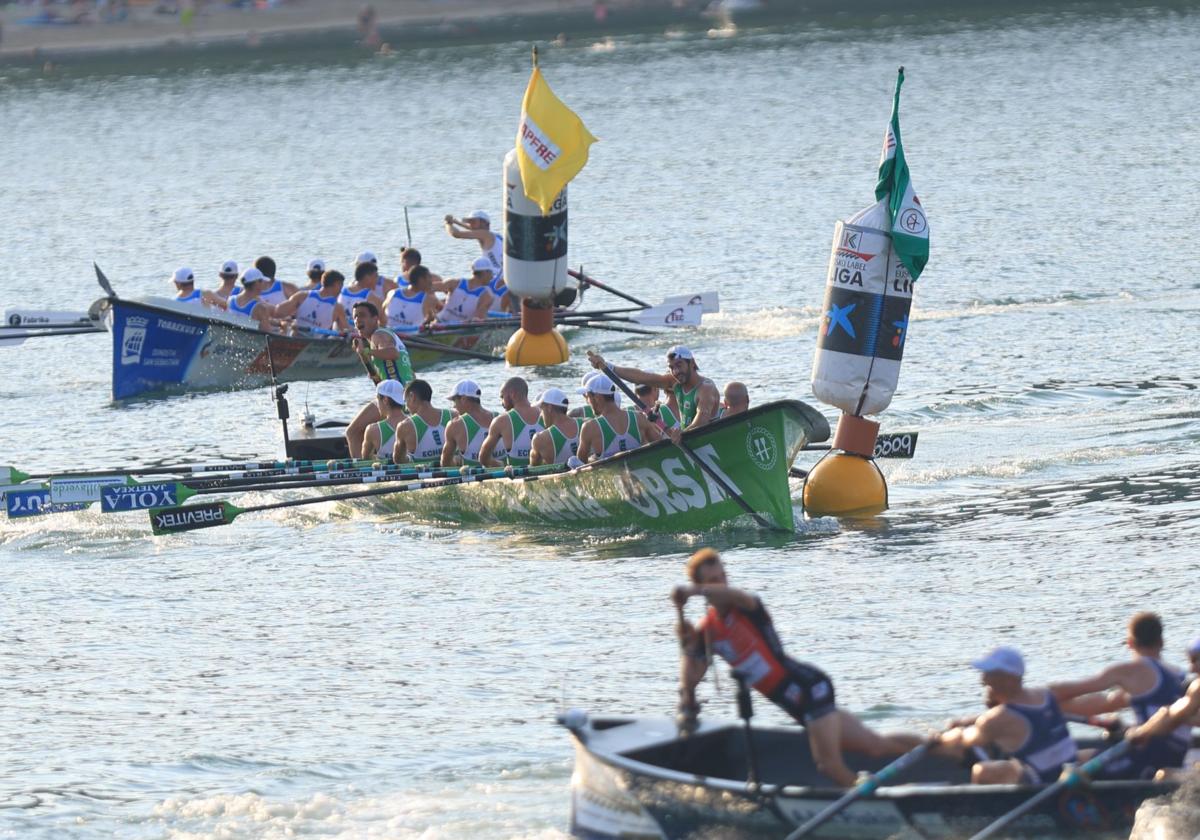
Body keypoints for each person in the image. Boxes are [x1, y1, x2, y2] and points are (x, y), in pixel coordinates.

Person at [674, 548, 922, 788]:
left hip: (807, 686)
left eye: (722, 577)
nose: (721, 585)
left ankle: (873, 807)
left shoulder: (748, 607)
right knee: (874, 745)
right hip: (790, 701)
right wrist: (686, 651)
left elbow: (737, 596)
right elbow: (693, 675)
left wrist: (693, 590)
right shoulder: (709, 631)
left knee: (828, 766)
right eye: (712, 580)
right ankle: (945, 747)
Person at [1049, 612, 1191, 779]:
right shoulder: (1179, 674)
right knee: (1086, 755)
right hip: (1175, 757)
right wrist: (1058, 708)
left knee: (1065, 761)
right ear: (1161, 642)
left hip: (1146, 758)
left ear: (1129, 643)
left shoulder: (1131, 671)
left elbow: (1079, 688)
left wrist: (1038, 699)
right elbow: (1107, 702)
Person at [935, 646, 1078, 785]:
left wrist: (940, 738)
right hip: (1065, 774)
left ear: (1008, 679)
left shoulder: (998, 718)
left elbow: (964, 741)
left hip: (1040, 786)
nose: (983, 680)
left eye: (989, 674)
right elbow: (1099, 682)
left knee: (982, 771)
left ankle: (982, 808)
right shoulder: (1044, 695)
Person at [587, 346, 721, 439]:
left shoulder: (705, 389)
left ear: (692, 363)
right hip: (688, 439)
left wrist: (680, 434)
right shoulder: (675, 382)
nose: (675, 372)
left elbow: (702, 420)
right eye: (671, 367)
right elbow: (642, 377)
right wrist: (608, 367)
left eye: (679, 365)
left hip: (707, 438)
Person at [344, 302, 415, 458]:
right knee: (365, 429)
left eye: (362, 315)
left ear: (375, 318)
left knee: (352, 432)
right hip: (405, 393)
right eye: (355, 317)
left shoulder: (379, 335)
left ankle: (362, 469)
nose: (357, 320)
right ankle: (377, 458)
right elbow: (378, 381)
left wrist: (368, 351)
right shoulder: (380, 337)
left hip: (396, 395)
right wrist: (364, 357)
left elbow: (392, 353)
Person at [576, 374, 662, 461]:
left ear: (597, 397)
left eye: (588, 397)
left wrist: (592, 459)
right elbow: (661, 447)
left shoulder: (590, 428)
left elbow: (579, 464)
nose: (588, 401)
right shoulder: (640, 418)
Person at [479, 377, 543, 468]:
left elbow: (483, 458)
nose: (502, 403)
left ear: (512, 394)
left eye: (502, 397)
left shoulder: (501, 421)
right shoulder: (545, 414)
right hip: (545, 475)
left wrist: (501, 465)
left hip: (517, 478)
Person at [392, 379, 453, 465]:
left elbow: (398, 460)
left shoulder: (405, 426)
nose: (406, 408)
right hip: (452, 471)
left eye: (405, 401)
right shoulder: (453, 416)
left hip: (422, 474)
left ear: (412, 396)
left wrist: (409, 459)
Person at [440, 379, 497, 468]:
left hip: (472, 479)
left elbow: (445, 463)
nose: (453, 406)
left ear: (463, 399)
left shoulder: (454, 425)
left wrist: (456, 462)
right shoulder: (500, 418)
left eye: (454, 401)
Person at [274, 269, 348, 333]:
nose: (341, 290)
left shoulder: (302, 296)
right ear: (337, 284)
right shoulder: (338, 307)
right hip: (317, 343)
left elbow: (278, 311)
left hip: (296, 337)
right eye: (341, 286)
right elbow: (345, 330)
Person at [444, 209, 504, 285]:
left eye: (473, 222)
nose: (471, 225)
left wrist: (448, 224)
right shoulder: (495, 235)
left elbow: (456, 234)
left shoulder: (484, 234)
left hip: (494, 278)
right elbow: (472, 229)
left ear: (484, 223)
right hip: (504, 277)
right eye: (470, 222)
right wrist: (456, 222)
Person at [529, 388, 581, 466]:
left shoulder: (540, 438)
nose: (541, 415)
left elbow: (532, 469)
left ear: (549, 408)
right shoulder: (587, 424)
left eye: (542, 409)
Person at [436, 257, 495, 324]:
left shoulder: (453, 283)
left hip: (438, 324)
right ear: (485, 273)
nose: (492, 277)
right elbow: (478, 320)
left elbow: (428, 288)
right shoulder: (487, 297)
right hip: (458, 331)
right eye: (491, 273)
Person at [362, 379, 407, 462]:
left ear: (385, 400)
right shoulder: (415, 423)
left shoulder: (373, 430)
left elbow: (366, 459)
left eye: (377, 400)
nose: (377, 404)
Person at [383, 265, 440, 329]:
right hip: (412, 335)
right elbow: (444, 315)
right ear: (421, 280)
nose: (431, 281)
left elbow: (381, 312)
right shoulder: (429, 299)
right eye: (429, 277)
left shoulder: (392, 293)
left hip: (388, 333)